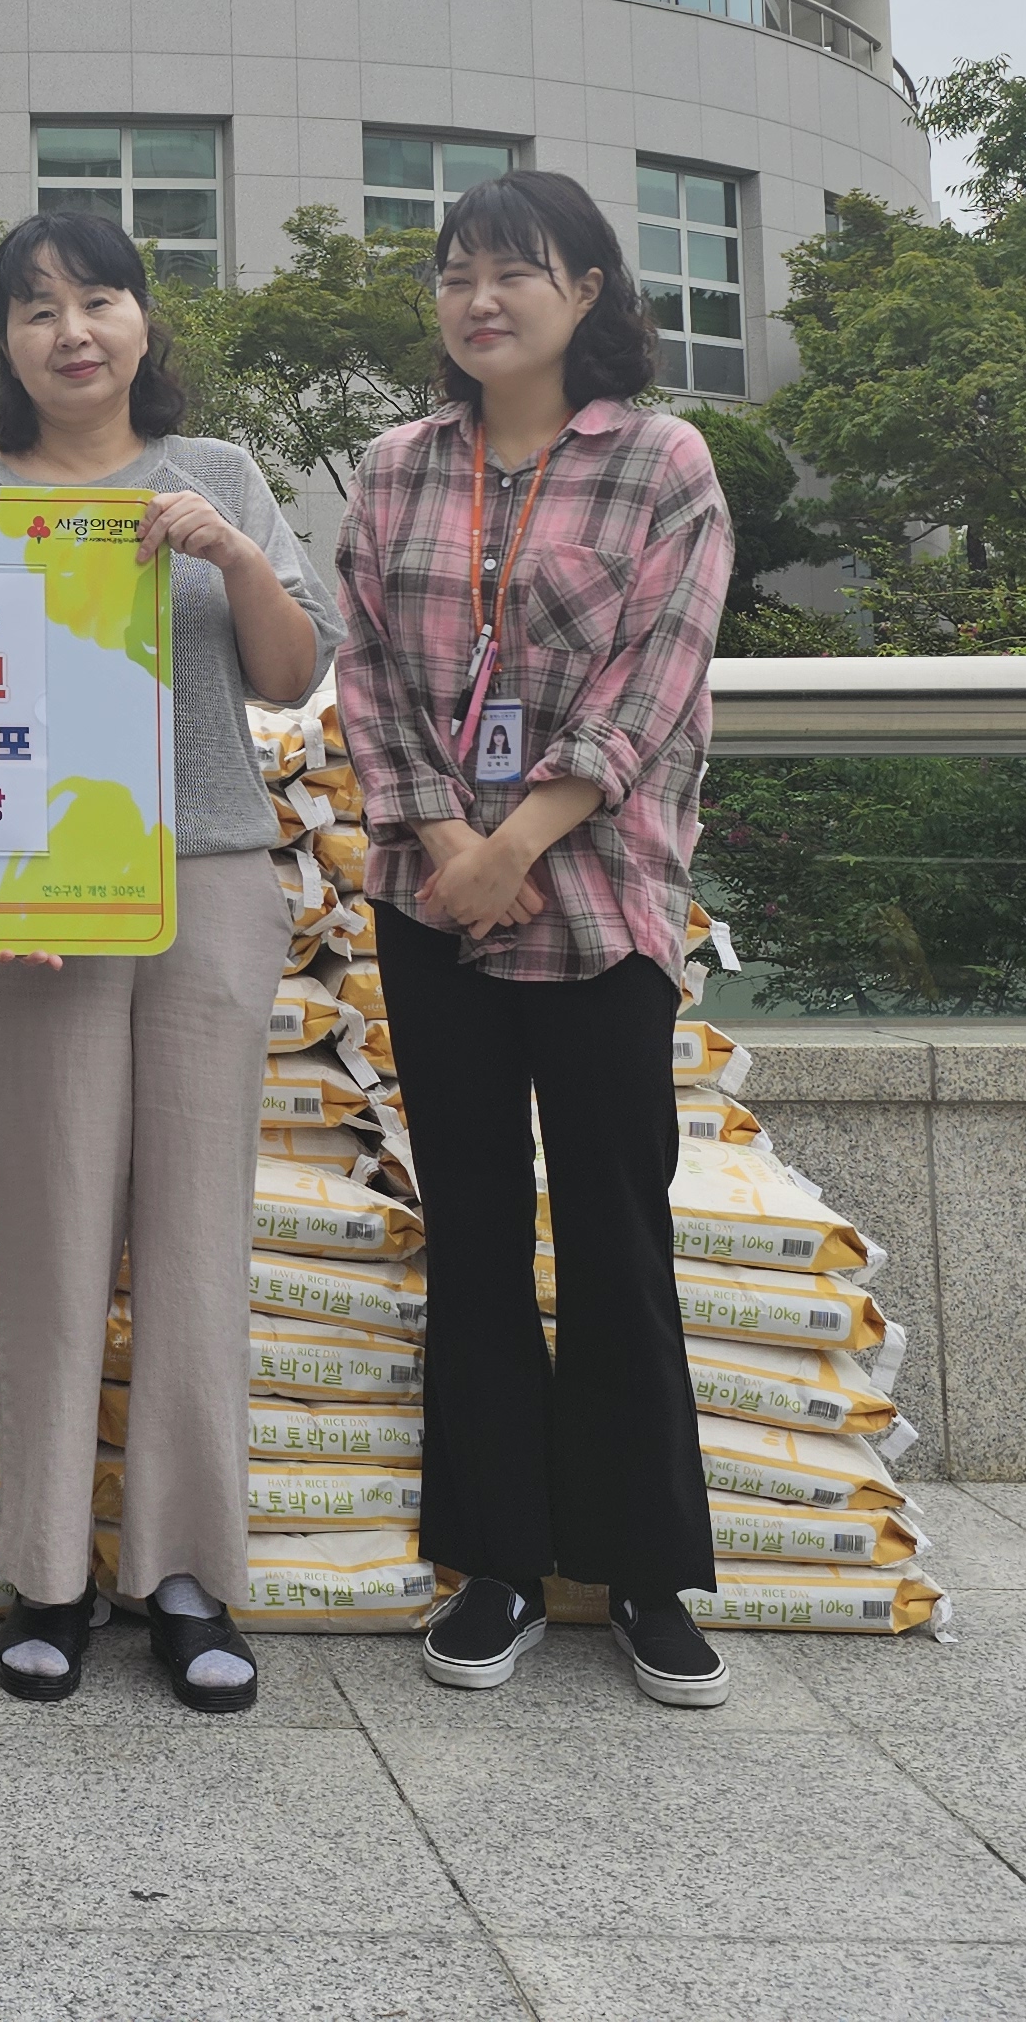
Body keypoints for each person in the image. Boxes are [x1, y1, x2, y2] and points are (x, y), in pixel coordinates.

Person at [330, 166, 735, 1709]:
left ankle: (644, 1575)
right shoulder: (394, 468)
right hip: (436, 902)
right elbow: (367, 667)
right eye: (456, 274)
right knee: (479, 1232)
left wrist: (521, 839)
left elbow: (660, 677)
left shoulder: (662, 464)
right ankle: (496, 1565)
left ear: (589, 293)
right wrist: (445, 839)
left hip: (602, 899)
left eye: (517, 271)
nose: (481, 298)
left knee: (621, 1232)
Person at [0, 209, 341, 1713]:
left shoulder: (218, 479)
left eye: (99, 298)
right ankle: (46, 1572)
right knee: (45, 1227)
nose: (72, 330)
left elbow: (296, 679)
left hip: (210, 875)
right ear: (6, 343)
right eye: (35, 309)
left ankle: (184, 1575)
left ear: (144, 324)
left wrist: (231, 556)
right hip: (34, 895)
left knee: (191, 1232)